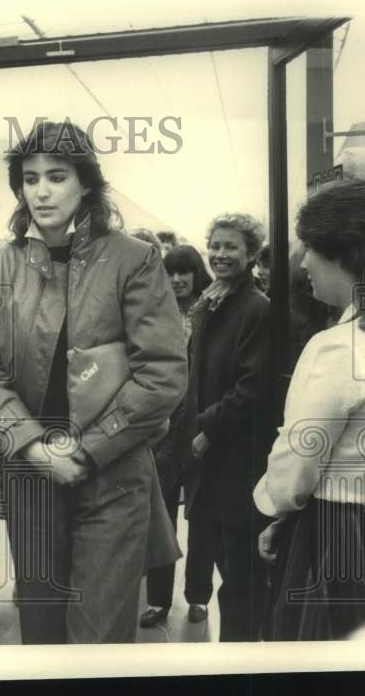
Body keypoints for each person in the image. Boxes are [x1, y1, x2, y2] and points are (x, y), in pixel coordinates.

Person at [0, 121, 186, 644]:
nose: (40, 190)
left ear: (86, 183)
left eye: (56, 176)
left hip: (114, 474)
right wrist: (34, 448)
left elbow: (162, 371)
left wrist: (86, 453)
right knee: (39, 626)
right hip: (32, 475)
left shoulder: (134, 258)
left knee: (100, 633)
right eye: (30, 178)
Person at [254, 179, 365, 640]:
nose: (303, 261)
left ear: (344, 254)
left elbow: (297, 462)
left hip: (342, 540)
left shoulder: (337, 348)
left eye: (310, 247)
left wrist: (274, 510)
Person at [180, 213, 271, 641]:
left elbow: (254, 387)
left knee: (238, 571)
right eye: (215, 246)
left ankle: (241, 654)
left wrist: (208, 429)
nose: (219, 254)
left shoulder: (257, 309)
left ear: (252, 254)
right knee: (217, 557)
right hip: (207, 458)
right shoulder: (211, 302)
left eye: (231, 247)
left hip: (234, 461)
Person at [140, 244, 216, 628]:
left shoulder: (209, 310)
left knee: (201, 517)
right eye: (170, 272)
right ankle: (157, 600)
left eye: (184, 271)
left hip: (200, 425)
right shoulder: (156, 310)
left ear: (196, 272)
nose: (176, 279)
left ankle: (199, 596)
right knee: (161, 515)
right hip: (164, 429)